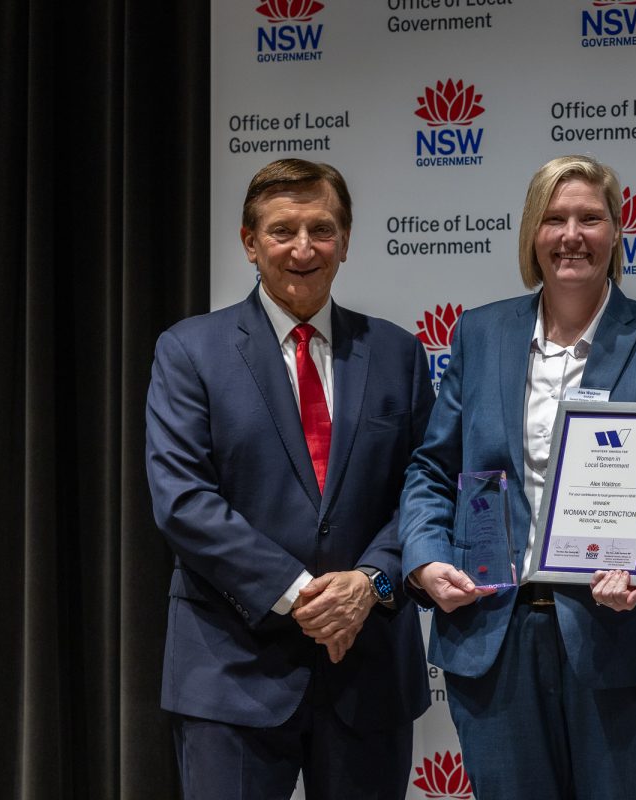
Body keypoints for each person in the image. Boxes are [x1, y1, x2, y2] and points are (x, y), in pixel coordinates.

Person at [399, 155, 636, 799]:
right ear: (532, 233)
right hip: (496, 635)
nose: (571, 235)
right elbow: (432, 470)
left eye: (590, 218)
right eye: (554, 219)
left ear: (617, 231)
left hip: (625, 641)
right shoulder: (480, 333)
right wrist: (424, 558)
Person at [145, 158, 433, 799]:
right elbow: (183, 501)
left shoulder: (399, 354)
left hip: (369, 670)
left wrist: (370, 582)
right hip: (231, 671)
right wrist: (305, 595)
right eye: (282, 231)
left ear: (347, 240)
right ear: (250, 243)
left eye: (322, 229)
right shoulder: (190, 350)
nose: (303, 248)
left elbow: (425, 488)